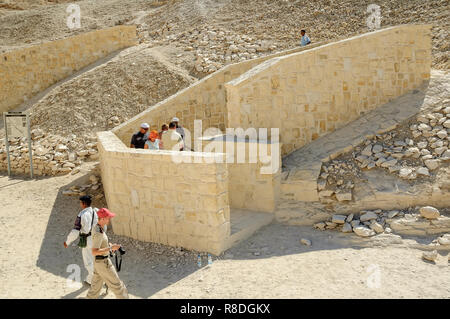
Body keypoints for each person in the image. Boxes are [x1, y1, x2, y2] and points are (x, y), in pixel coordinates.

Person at [86, 208, 129, 299]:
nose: (109, 219)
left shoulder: (98, 228)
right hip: (103, 263)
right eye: (108, 218)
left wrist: (109, 246)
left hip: (99, 263)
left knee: (95, 289)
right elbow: (94, 251)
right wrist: (110, 248)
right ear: (102, 219)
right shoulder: (99, 232)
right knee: (118, 286)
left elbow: (100, 244)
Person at [64, 195, 99, 285]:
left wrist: (67, 242)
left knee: (88, 261)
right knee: (97, 259)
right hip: (98, 238)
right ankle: (90, 279)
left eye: (80, 202)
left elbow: (75, 231)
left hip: (88, 240)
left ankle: (96, 279)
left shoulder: (81, 215)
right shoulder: (96, 211)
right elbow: (103, 225)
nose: (80, 204)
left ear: (83, 204)